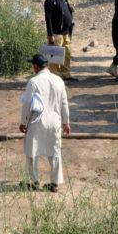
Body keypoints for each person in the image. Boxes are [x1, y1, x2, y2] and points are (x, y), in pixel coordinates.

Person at [19, 53, 71, 192]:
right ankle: (54, 184)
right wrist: (66, 122)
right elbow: (64, 102)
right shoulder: (59, 80)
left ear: (36, 67)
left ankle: (34, 182)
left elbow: (27, 104)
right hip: (55, 120)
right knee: (54, 152)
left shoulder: (33, 82)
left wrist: (23, 122)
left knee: (32, 152)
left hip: (37, 121)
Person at [44, 0, 76, 81]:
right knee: (55, 56)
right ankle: (55, 76)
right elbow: (48, 19)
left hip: (66, 33)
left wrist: (69, 10)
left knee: (67, 54)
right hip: (56, 34)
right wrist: (50, 35)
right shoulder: (50, 1)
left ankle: (65, 74)